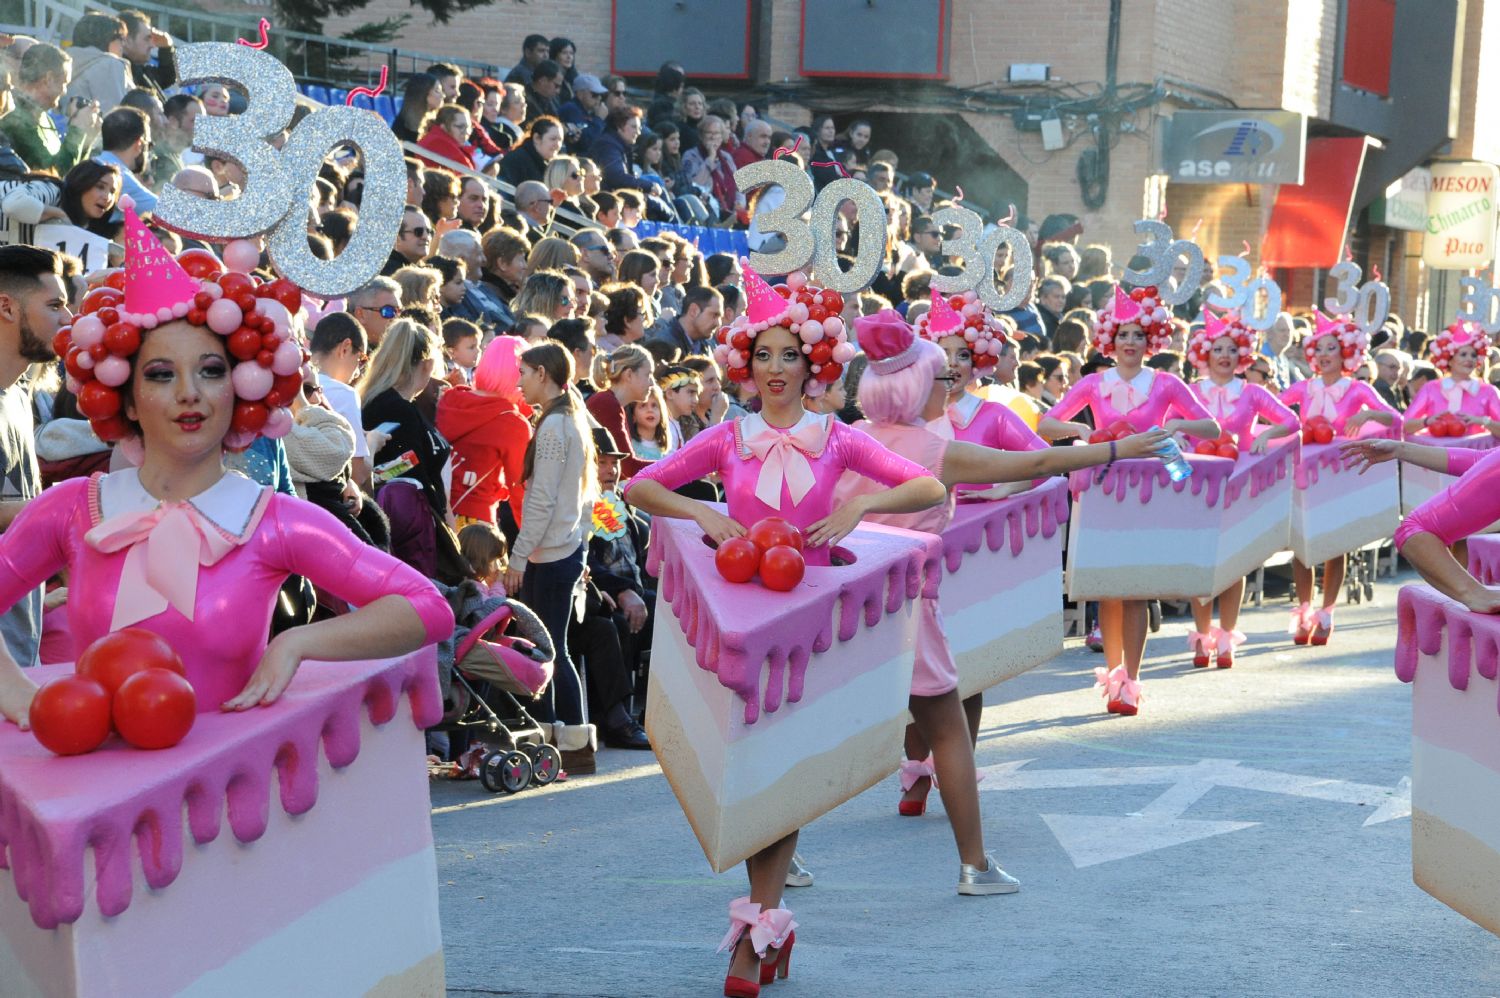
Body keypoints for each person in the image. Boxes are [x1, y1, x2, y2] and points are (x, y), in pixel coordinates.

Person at [621, 266, 947, 994]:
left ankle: (758, 927)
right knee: (750, 767)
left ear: (814, 364)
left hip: (810, 628)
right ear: (745, 363)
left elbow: (928, 486)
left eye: (789, 355)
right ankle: (767, 927)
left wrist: (860, 510)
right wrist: (702, 512)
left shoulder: (836, 437)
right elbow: (639, 486)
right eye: (762, 355)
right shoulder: (725, 435)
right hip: (742, 624)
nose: (774, 369)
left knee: (782, 770)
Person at [0, 230, 452, 730]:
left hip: (231, 795)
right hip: (98, 796)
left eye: (211, 371)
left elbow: (427, 608)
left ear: (241, 391)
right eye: (160, 374)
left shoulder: (276, 520)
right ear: (124, 399)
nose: (189, 393)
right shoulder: (70, 510)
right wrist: (20, 698)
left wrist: (296, 644)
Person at [835, 309, 1168, 888]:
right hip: (907, 609)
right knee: (949, 734)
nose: (950, 386)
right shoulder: (939, 451)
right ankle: (974, 865)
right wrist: (1121, 449)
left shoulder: (849, 439)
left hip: (839, 609)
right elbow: (1040, 461)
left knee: (814, 738)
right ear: (916, 385)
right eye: (942, 377)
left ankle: (779, 866)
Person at [1038, 286, 1221, 714]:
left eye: (1139, 335)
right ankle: (1113, 674)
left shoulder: (1166, 383)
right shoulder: (1091, 383)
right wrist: (1082, 433)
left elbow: (1210, 428)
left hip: (1147, 493)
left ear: (1152, 340)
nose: (1131, 343)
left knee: (1136, 588)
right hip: (1103, 489)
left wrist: (1173, 425)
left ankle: (1131, 682)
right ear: (1110, 340)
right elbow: (1047, 424)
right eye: (1123, 335)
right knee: (1109, 588)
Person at [1182, 310, 1299, 667]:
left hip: (1240, 484)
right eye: (1218, 348)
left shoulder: (1252, 392)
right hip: (1197, 487)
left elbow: (1292, 421)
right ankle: (1203, 636)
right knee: (1200, 560)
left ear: (1242, 354)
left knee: (1234, 561)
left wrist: (1266, 434)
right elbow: (1164, 431)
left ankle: (1227, 636)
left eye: (1232, 349)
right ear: (1205, 352)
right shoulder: (1189, 392)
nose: (1224, 355)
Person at [502, 341, 597, 771]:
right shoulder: (566, 417)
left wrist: (518, 556)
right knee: (550, 647)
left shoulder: (557, 425)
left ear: (543, 374)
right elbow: (582, 496)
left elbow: (542, 499)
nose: (518, 382)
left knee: (548, 649)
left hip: (551, 553)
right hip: (563, 549)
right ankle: (563, 744)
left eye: (523, 372)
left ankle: (569, 745)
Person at [1278, 311, 1399, 645]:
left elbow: (1393, 418)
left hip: (1340, 478)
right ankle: (1304, 610)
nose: (1325, 354)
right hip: (1304, 475)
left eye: (1332, 347)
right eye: (1319, 348)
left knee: (1335, 544)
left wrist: (1369, 412)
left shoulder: (1357, 388)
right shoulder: (1303, 387)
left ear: (1345, 352)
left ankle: (1327, 611)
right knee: (1300, 545)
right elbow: (1275, 410)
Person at [0, 246, 67, 678]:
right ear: (6, 306)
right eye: (55, 305)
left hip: (21, 654)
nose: (70, 318)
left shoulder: (21, 393)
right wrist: (63, 509)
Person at [435, 335, 531, 530]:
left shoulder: (449, 399)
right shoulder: (512, 423)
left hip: (435, 516)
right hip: (476, 526)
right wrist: (534, 547)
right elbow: (521, 493)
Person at [0, 43, 98, 176]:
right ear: (49, 79)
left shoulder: (45, 119)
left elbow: (73, 178)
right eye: (64, 83)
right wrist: (77, 130)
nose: (64, 92)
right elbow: (52, 175)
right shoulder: (15, 119)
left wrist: (87, 136)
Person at [1402, 320, 1500, 436]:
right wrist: (1427, 421)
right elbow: (1404, 425)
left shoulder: (1489, 391)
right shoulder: (1431, 388)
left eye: (1473, 355)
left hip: (1475, 452)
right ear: (1449, 359)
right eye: (1463, 354)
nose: (1470, 359)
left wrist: (1483, 421)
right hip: (1434, 452)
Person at [586, 343, 655, 477]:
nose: (652, 383)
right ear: (629, 374)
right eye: (648, 375)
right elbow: (628, 467)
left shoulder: (612, 403)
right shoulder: (607, 404)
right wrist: (678, 464)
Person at [60, 12, 130, 115]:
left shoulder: (64, 63)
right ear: (106, 38)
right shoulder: (109, 65)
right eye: (120, 38)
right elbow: (115, 116)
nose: (124, 44)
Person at [95, 106, 156, 215]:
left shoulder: (93, 164)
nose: (148, 153)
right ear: (139, 144)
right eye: (149, 145)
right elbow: (178, 216)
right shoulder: (119, 176)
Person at [117, 9, 176, 100]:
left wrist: (166, 48)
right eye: (147, 39)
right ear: (126, 40)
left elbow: (167, 76)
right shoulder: (120, 73)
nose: (152, 45)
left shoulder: (138, 70)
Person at [653, 285, 721, 358]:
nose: (718, 323)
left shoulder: (705, 346)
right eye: (714, 315)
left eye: (720, 317)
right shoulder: (664, 345)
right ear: (694, 311)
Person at [416, 104, 478, 171]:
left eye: (469, 127)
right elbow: (467, 173)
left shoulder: (434, 137)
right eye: (460, 127)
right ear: (443, 127)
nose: (466, 132)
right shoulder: (437, 142)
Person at [349, 276, 402, 350]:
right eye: (388, 311)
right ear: (360, 314)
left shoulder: (404, 350)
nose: (396, 318)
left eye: (399, 311)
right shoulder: (344, 355)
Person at [392, 73, 442, 145]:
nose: (443, 95)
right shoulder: (401, 126)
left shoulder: (435, 122)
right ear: (423, 93)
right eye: (437, 91)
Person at [384, 206, 432, 276]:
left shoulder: (418, 270)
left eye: (429, 231)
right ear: (397, 238)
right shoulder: (391, 275)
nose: (426, 236)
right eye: (418, 232)